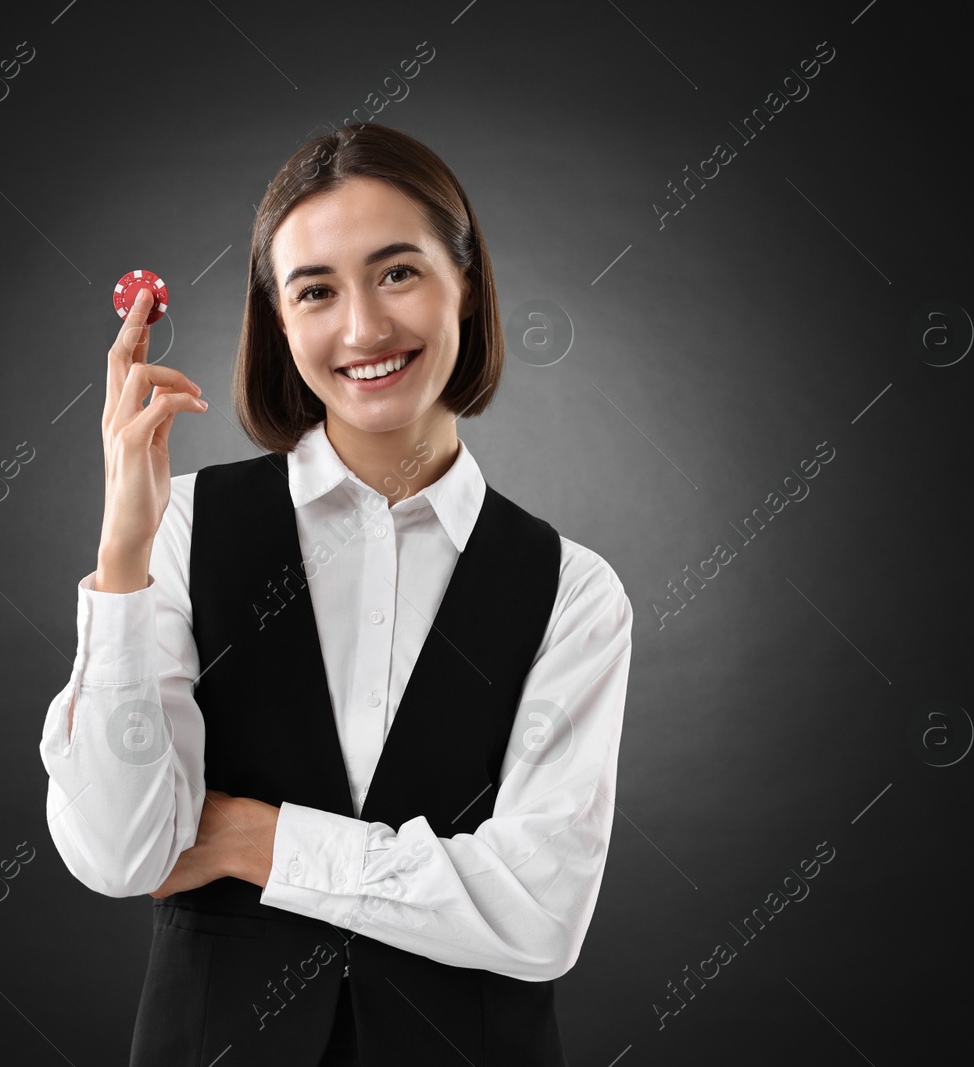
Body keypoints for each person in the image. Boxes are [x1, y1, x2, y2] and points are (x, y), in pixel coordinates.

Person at [39, 123, 633, 1066]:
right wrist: (121, 556)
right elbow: (121, 854)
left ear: (466, 282)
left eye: (398, 272)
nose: (362, 329)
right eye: (315, 290)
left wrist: (253, 837)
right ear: (280, 320)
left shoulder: (574, 590)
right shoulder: (181, 529)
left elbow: (538, 913)